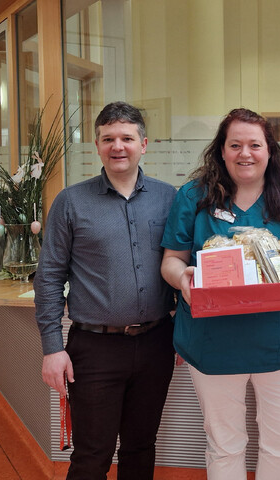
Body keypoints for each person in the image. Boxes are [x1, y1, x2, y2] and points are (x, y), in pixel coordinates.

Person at [160, 108, 280, 480]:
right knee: (224, 444)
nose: (245, 153)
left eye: (255, 145)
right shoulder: (193, 196)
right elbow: (171, 261)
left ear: (269, 150)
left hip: (279, 343)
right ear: (222, 150)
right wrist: (183, 279)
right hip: (212, 342)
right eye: (235, 145)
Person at [34, 101, 177, 480]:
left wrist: (186, 333)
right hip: (94, 349)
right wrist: (52, 348)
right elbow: (48, 277)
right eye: (108, 138)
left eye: (127, 138)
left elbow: (184, 264)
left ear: (143, 144)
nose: (118, 146)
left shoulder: (169, 199)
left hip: (157, 343)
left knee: (141, 446)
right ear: (96, 145)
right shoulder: (70, 202)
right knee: (91, 455)